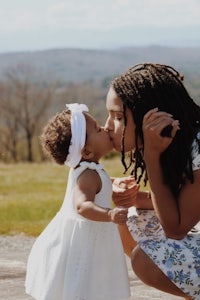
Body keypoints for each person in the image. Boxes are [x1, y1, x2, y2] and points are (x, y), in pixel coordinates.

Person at [104, 63, 200, 300]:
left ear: (150, 117)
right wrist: (134, 198)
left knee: (145, 260)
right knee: (129, 217)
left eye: (117, 117)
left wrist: (151, 157)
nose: (107, 127)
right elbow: (183, 206)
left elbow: (176, 228)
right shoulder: (182, 143)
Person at [25, 103, 130, 300]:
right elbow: (82, 206)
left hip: (93, 236)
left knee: (93, 283)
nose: (106, 129)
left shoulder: (90, 170)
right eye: (98, 129)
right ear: (87, 151)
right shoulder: (87, 176)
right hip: (86, 240)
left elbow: (100, 184)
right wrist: (110, 214)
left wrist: (114, 182)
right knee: (84, 282)